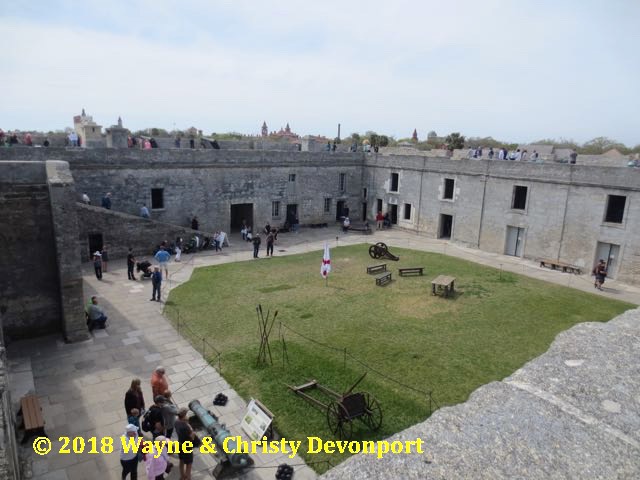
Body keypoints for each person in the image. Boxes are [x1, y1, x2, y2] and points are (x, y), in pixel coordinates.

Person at [174, 408, 195, 480]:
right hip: (187, 446)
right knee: (189, 464)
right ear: (184, 416)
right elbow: (192, 437)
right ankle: (188, 478)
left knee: (181, 460)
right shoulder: (186, 426)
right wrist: (190, 427)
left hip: (180, 443)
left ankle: (182, 476)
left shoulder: (176, 422)